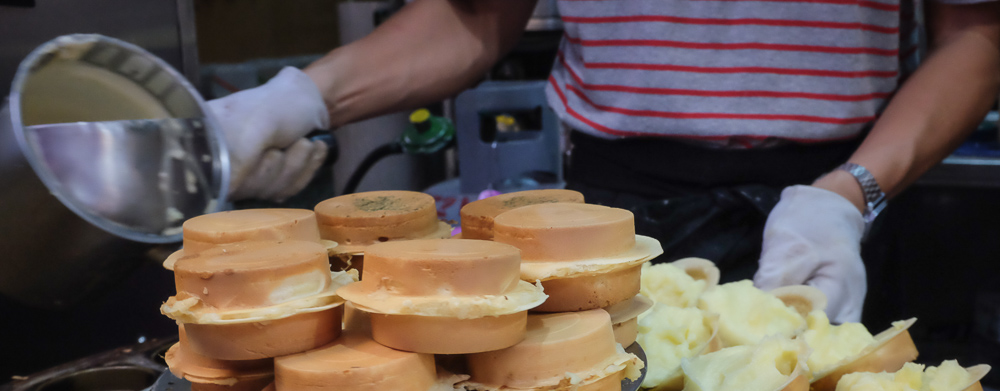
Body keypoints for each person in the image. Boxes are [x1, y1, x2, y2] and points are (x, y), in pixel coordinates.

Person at [208, 0, 1000, 323]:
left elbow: (975, 34)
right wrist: (295, 98)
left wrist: (847, 195)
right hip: (617, 219)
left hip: (835, 204)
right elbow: (472, 18)